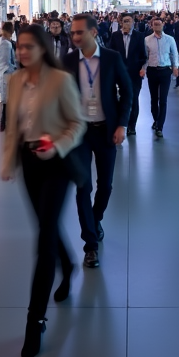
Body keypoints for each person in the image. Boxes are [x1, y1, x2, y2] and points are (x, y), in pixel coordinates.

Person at [0, 25, 86, 357]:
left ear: (43, 48)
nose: (22, 53)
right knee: (45, 227)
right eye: (19, 47)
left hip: (57, 163)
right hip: (29, 162)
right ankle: (67, 262)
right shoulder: (15, 82)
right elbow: (13, 129)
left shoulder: (60, 80)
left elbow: (76, 124)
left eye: (29, 47)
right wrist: (9, 162)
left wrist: (58, 146)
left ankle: (35, 320)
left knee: (44, 238)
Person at [63, 14, 132, 268]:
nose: (75, 37)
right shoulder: (68, 61)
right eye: (73, 33)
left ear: (94, 32)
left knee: (106, 186)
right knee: (83, 187)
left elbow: (127, 92)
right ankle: (90, 245)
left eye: (80, 32)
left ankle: (95, 218)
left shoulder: (112, 58)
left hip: (106, 131)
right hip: (79, 133)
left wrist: (122, 124)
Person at [142, 18, 179, 138]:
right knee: (154, 99)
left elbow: (175, 53)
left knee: (163, 100)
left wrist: (176, 67)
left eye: (159, 24)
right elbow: (145, 56)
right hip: (152, 71)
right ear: (152, 26)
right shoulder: (147, 40)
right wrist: (143, 68)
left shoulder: (170, 39)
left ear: (163, 25)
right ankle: (156, 119)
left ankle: (160, 126)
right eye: (155, 24)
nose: (157, 26)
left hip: (165, 71)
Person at [109, 14, 147, 136]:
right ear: (121, 23)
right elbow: (111, 52)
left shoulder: (139, 36)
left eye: (129, 21)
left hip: (135, 73)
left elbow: (143, 55)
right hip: (119, 72)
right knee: (118, 97)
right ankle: (119, 123)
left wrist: (142, 68)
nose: (126, 23)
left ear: (133, 22)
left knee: (134, 98)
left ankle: (132, 126)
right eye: (124, 21)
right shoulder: (115, 36)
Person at [0, 22, 17, 132]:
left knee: (7, 101)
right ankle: (5, 122)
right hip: (7, 74)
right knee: (7, 101)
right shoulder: (5, 43)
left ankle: (5, 122)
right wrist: (15, 69)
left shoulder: (2, 41)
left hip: (6, 74)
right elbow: (5, 62)